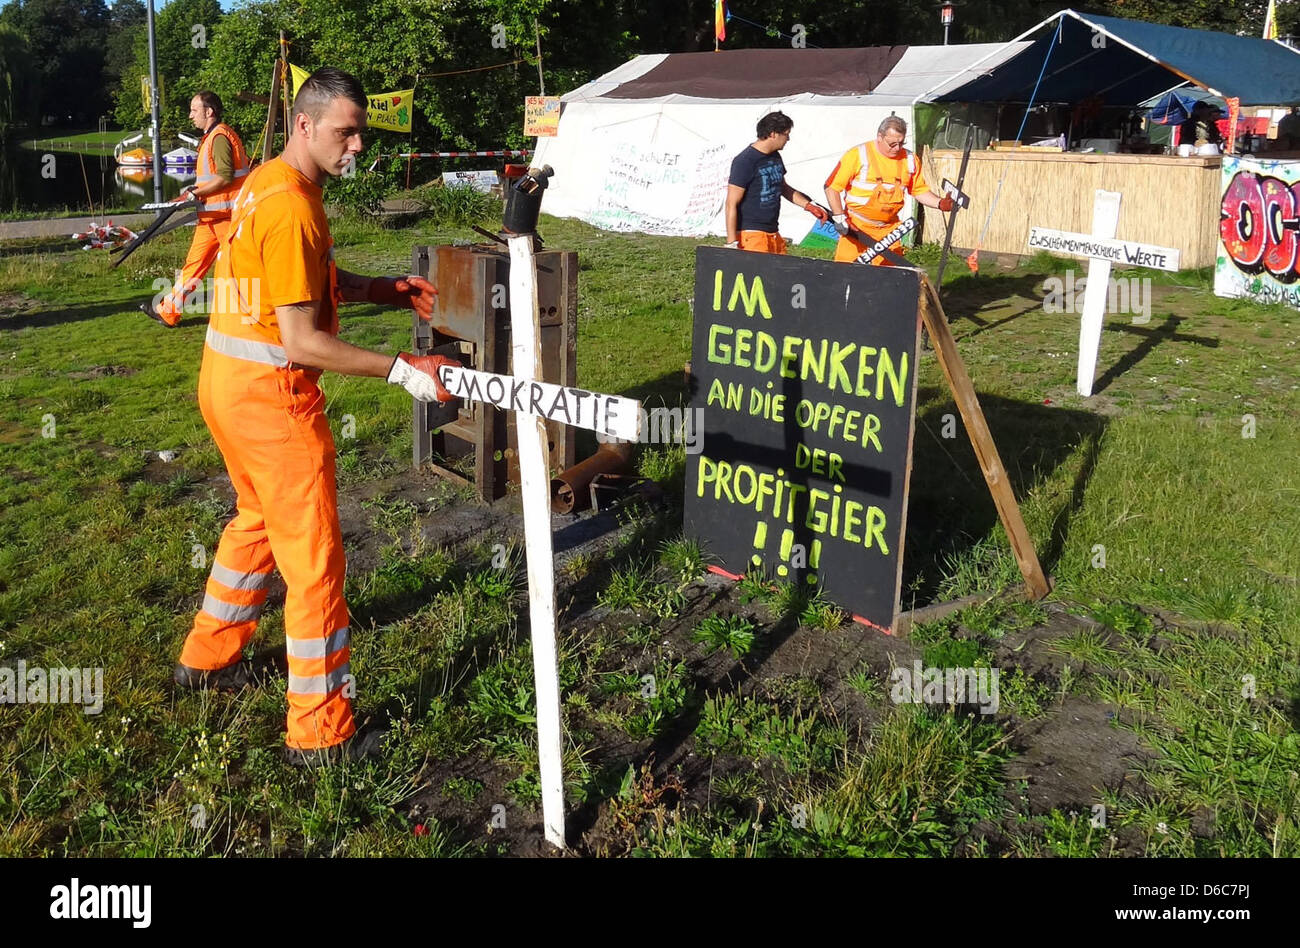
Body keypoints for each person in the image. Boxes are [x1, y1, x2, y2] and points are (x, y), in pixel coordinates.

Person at [171, 67, 458, 765]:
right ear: (306, 124)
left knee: (255, 523)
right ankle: (321, 735)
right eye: (346, 131)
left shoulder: (268, 181)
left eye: (361, 131)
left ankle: (205, 660)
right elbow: (301, 339)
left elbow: (299, 285)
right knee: (317, 566)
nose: (359, 144)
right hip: (273, 401)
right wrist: (401, 368)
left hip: (225, 386)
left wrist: (383, 290)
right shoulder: (294, 207)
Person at [142, 92, 251, 327]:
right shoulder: (212, 137)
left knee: (238, 267)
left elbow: (224, 177)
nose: (190, 115)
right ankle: (168, 312)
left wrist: (195, 193)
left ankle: (255, 312)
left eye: (194, 110)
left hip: (226, 217)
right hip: (211, 215)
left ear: (209, 112)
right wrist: (196, 191)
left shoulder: (220, 137)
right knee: (193, 265)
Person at [823, 115, 953, 265]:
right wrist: (839, 218)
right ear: (880, 136)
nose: (897, 148)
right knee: (846, 275)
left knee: (890, 279)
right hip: (856, 229)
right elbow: (831, 187)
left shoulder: (910, 159)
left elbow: (918, 190)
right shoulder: (858, 155)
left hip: (889, 231)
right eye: (892, 144)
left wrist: (940, 203)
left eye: (901, 143)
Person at [725, 110, 829, 253]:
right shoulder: (744, 161)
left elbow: (783, 188)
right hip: (751, 234)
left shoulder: (775, 157)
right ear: (773, 134)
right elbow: (731, 203)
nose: (788, 139)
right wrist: (731, 243)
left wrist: (809, 206)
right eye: (786, 134)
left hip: (773, 232)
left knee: (780, 274)